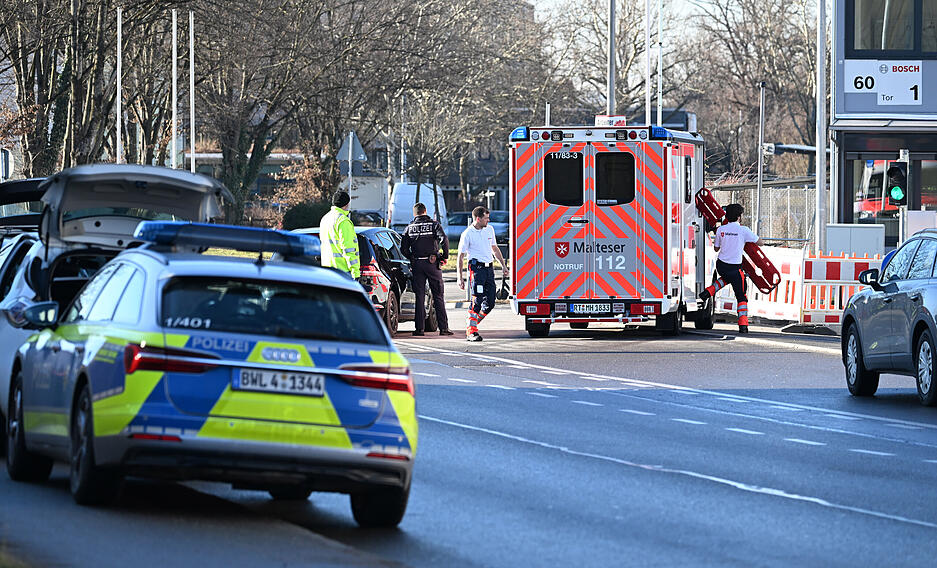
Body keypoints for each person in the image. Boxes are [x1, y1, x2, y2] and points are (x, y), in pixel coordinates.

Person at [698, 203, 763, 333]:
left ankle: (707, 292)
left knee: (727, 277)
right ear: (739, 217)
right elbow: (760, 242)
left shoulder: (721, 230)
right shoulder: (744, 230)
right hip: (735, 268)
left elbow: (716, 248)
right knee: (741, 296)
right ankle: (743, 324)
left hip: (721, 266)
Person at [401, 202, 453, 336]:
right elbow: (444, 240)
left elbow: (403, 249)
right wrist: (444, 256)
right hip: (432, 264)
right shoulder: (434, 225)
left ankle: (419, 329)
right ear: (425, 211)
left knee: (419, 296)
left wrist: (411, 257)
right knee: (438, 295)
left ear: (415, 214)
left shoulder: (409, 228)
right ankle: (443, 328)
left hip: (417, 264)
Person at [457, 206, 506, 342]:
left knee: (490, 302)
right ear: (478, 219)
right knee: (477, 300)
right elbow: (460, 256)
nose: (488, 220)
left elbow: (494, 248)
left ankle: (472, 323)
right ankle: (471, 332)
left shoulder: (489, 229)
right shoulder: (467, 234)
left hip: (489, 269)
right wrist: (460, 277)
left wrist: (503, 266)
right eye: (486, 218)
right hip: (476, 270)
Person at [319, 191, 360, 279]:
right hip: (342, 271)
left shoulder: (325, 219)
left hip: (327, 270)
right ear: (347, 204)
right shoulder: (343, 221)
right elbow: (348, 249)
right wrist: (355, 273)